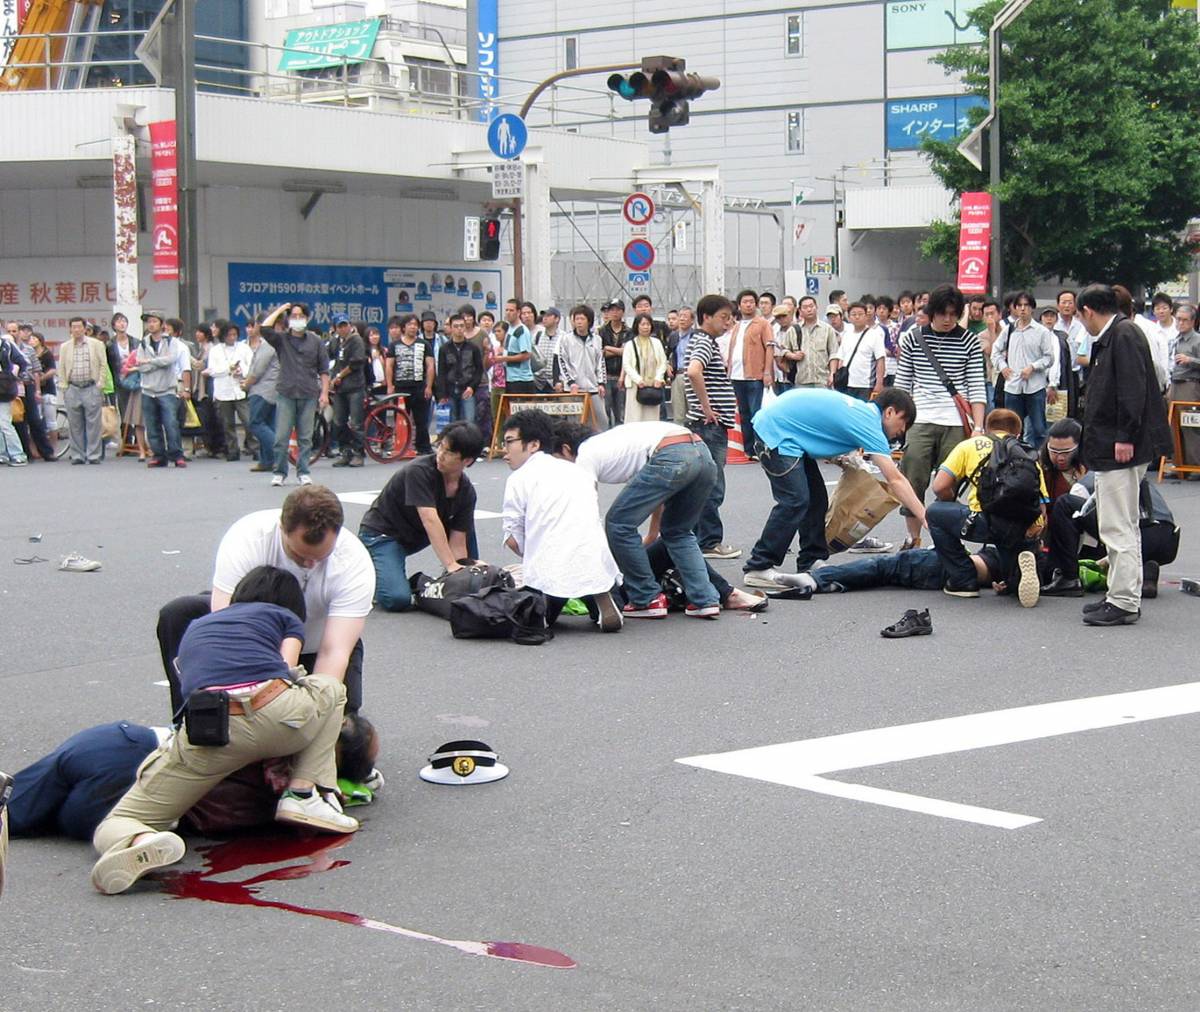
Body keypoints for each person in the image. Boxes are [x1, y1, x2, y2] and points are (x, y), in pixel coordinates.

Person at [90, 566, 358, 895]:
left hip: (209, 731)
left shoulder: (196, 627)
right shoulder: (282, 616)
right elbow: (285, 669)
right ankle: (303, 794)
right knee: (330, 688)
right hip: (273, 713)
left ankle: (143, 839)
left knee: (120, 819)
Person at [156, 484, 375, 716]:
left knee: (345, 737)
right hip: (252, 640)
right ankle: (190, 717)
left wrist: (313, 713)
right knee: (178, 614)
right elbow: (227, 631)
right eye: (300, 556)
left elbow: (334, 651)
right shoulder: (248, 537)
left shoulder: (354, 562)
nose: (311, 565)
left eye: (321, 557)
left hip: (317, 645)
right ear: (282, 528)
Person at [10, 715, 379, 843]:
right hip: (133, 783)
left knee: (15, 812)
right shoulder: (295, 791)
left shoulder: (286, 727)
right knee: (51, 818)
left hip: (123, 743)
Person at [741, 387, 926, 590]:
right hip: (776, 432)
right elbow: (895, 480)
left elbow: (823, 429)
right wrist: (925, 517)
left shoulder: (861, 412)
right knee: (795, 500)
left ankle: (811, 560)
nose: (901, 432)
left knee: (816, 500)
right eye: (903, 423)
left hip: (788, 431)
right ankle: (759, 565)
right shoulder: (869, 424)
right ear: (889, 412)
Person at [1075, 284, 1172, 625]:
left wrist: (1125, 435)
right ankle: (1121, 594)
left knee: (1118, 526)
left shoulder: (1122, 334)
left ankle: (1123, 601)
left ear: (1088, 310)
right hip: (1117, 444)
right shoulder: (1120, 333)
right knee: (1123, 524)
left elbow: (1133, 388)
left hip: (1120, 446)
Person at [555, 419, 720, 619]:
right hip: (701, 453)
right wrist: (652, 534)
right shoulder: (613, 442)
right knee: (678, 531)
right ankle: (705, 600)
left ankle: (646, 598)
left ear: (565, 449)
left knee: (618, 523)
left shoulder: (584, 455)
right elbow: (658, 494)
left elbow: (587, 508)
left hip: (671, 454)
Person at [500, 408, 622, 631]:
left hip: (549, 567)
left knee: (539, 590)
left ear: (534, 445)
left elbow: (513, 539)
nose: (504, 450)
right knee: (585, 569)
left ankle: (543, 608)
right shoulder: (577, 472)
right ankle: (602, 601)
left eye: (510, 442)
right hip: (594, 560)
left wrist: (530, 554)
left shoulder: (519, 478)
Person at [894, 284, 987, 549]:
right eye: (943, 314)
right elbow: (903, 384)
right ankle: (913, 539)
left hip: (956, 422)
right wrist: (900, 423)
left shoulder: (968, 340)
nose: (948, 320)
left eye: (953, 314)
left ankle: (944, 542)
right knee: (913, 481)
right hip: (920, 419)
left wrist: (979, 426)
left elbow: (976, 385)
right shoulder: (913, 337)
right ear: (931, 312)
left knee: (948, 486)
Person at [925, 409, 1046, 607]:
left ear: (988, 429)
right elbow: (1042, 504)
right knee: (1013, 565)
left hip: (982, 521)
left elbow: (939, 486)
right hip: (1021, 527)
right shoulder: (1027, 452)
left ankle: (963, 580)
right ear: (1018, 433)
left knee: (935, 513)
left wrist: (950, 502)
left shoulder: (969, 445)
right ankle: (1015, 577)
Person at [358, 421, 484, 612]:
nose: (440, 455)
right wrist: (450, 564)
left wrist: (461, 574)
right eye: (440, 446)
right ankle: (376, 573)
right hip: (383, 535)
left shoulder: (466, 491)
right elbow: (429, 519)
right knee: (396, 599)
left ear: (467, 461)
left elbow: (458, 540)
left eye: (449, 452)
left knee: (467, 529)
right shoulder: (419, 471)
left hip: (414, 534)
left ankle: (462, 582)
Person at [685, 294, 741, 561]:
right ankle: (709, 541)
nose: (727, 323)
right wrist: (707, 408)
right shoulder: (704, 342)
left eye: (729, 318)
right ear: (706, 317)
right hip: (709, 425)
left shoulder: (702, 341)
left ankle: (696, 538)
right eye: (723, 317)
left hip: (706, 424)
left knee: (701, 482)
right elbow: (694, 371)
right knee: (712, 484)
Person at [259, 302, 331, 487]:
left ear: (307, 319)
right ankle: (280, 472)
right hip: (286, 392)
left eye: (300, 316)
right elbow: (265, 328)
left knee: (305, 437)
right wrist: (281, 310)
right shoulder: (282, 339)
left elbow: (324, 369)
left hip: (308, 392)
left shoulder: (315, 341)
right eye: (294, 316)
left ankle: (303, 471)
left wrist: (324, 393)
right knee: (281, 436)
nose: (297, 319)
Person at [990, 292, 1056, 447]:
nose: (1023, 309)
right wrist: (1003, 367)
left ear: (1032, 308)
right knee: (1012, 429)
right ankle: (1014, 459)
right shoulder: (1009, 330)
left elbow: (1049, 358)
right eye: (1019, 305)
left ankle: (1042, 461)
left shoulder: (1042, 331)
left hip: (1035, 386)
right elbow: (996, 352)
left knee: (1039, 428)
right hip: (1013, 386)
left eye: (1026, 305)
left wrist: (1033, 367)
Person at [726, 289, 775, 453]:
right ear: (739, 306)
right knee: (744, 413)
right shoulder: (737, 325)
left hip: (755, 375)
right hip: (737, 376)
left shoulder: (762, 324)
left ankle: (760, 446)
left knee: (757, 413)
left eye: (751, 302)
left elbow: (769, 348)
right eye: (745, 302)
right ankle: (749, 449)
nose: (748, 305)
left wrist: (767, 372)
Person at [57, 315, 110, 466]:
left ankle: (93, 455)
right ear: (70, 329)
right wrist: (64, 387)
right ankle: (78, 455)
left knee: (94, 424)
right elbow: (61, 368)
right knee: (75, 424)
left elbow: (103, 365)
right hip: (72, 387)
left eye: (79, 327)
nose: (76, 330)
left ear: (85, 328)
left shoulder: (96, 344)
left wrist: (100, 384)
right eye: (73, 327)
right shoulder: (65, 346)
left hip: (91, 386)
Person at [385, 313, 436, 455]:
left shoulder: (424, 344)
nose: (413, 327)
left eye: (415, 325)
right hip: (400, 387)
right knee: (401, 418)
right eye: (410, 324)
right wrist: (390, 385)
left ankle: (423, 447)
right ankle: (402, 446)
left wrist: (429, 386)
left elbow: (430, 366)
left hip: (420, 386)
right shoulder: (394, 345)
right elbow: (389, 366)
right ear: (403, 327)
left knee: (421, 420)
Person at [323, 313, 367, 468]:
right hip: (340, 388)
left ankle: (358, 453)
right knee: (338, 421)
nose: (343, 328)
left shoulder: (356, 340)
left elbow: (356, 362)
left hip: (355, 386)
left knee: (356, 422)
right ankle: (345, 451)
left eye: (345, 325)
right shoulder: (335, 341)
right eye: (339, 326)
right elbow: (327, 356)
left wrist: (340, 375)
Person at [206, 321, 253, 462]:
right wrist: (228, 369)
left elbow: (251, 366)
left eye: (234, 335)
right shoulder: (215, 350)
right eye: (229, 335)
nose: (232, 338)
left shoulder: (244, 348)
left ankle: (254, 447)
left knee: (248, 421)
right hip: (223, 391)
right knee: (227, 424)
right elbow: (212, 370)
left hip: (240, 388)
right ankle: (232, 450)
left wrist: (241, 370)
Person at [556, 304, 608, 431]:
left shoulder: (596, 339)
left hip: (593, 387)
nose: (579, 322)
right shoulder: (566, 339)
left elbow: (600, 362)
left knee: (601, 421)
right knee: (576, 423)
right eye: (576, 319)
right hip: (573, 388)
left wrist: (601, 383)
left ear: (589, 321)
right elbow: (562, 362)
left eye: (582, 319)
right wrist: (570, 382)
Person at [242, 313, 279, 473]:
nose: (254, 327)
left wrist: (246, 384)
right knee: (268, 424)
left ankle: (279, 450)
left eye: (256, 324)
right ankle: (267, 461)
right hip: (273, 389)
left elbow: (258, 370)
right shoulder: (275, 341)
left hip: (263, 389)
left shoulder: (268, 344)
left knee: (256, 423)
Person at [830, 301, 885, 401]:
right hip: (846, 383)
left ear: (866, 316)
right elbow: (840, 358)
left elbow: (880, 360)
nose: (857, 317)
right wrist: (836, 376)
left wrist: (879, 383)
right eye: (853, 314)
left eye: (860, 314)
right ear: (849, 317)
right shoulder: (847, 335)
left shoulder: (874, 335)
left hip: (865, 385)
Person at [436, 313, 484, 424]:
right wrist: (442, 394)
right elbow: (441, 372)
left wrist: (472, 387)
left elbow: (479, 370)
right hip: (450, 390)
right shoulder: (444, 348)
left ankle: (468, 442)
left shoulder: (473, 347)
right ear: (451, 328)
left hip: (467, 390)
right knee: (452, 423)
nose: (459, 329)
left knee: (469, 421)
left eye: (462, 326)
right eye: (456, 326)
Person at [621, 312, 669, 423]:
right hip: (635, 385)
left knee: (651, 417)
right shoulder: (630, 344)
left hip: (653, 385)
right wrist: (638, 379)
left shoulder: (657, 343)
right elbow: (627, 365)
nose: (645, 327)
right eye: (642, 324)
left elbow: (662, 362)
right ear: (637, 326)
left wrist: (659, 377)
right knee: (635, 417)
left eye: (648, 324)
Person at [1168, 303, 1200, 467]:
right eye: (1178, 319)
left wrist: (1191, 360)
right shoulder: (1176, 339)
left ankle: (1194, 464)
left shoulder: (1197, 340)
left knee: (1190, 425)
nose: (1180, 323)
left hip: (1190, 384)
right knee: (1174, 425)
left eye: (1184, 320)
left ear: (1193, 321)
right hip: (1174, 383)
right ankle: (1178, 463)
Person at [788, 295, 840, 390]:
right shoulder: (794, 330)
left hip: (823, 381)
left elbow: (834, 353)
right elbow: (783, 350)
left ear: (817, 308)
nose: (809, 309)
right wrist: (793, 356)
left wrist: (832, 374)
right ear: (800, 311)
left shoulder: (827, 329)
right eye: (805, 307)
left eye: (811, 306)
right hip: (801, 381)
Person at [598, 300, 631, 426]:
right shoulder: (601, 331)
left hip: (622, 376)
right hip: (605, 376)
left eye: (617, 310)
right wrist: (619, 351)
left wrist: (608, 348)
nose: (614, 313)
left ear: (622, 312)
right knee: (605, 412)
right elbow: (600, 353)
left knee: (621, 413)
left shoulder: (629, 331)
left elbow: (628, 353)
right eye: (611, 310)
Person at [497, 298, 536, 395]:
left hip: (521, 380)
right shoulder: (510, 328)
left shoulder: (521, 330)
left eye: (511, 310)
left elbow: (526, 355)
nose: (508, 313)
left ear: (518, 312)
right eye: (506, 310)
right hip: (510, 378)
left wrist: (504, 358)